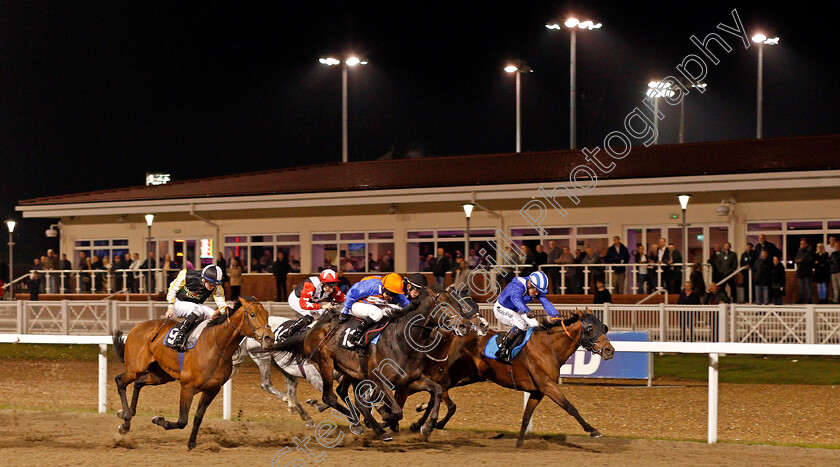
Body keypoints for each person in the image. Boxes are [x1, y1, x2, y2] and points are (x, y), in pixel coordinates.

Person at [493, 271, 558, 363]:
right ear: (530, 283)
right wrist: (527, 310)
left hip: (517, 309)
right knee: (521, 324)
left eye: (538, 291)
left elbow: (545, 302)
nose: (536, 294)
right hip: (502, 308)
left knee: (535, 325)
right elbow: (516, 299)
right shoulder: (517, 285)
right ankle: (502, 350)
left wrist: (556, 315)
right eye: (535, 290)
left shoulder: (535, 287)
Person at [338, 273, 410, 350]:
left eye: (393, 294)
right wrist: (345, 312)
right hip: (356, 305)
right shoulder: (371, 286)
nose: (390, 296)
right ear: (384, 287)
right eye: (389, 293)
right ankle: (358, 333)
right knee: (377, 313)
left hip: (373, 306)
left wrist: (411, 307)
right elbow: (351, 295)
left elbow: (405, 303)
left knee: (398, 310)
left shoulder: (392, 288)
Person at [164, 265, 227, 351]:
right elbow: (172, 289)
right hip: (178, 304)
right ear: (203, 279)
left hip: (195, 307)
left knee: (215, 315)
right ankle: (179, 336)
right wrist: (170, 306)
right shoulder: (186, 275)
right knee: (198, 309)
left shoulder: (216, 286)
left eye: (215, 285)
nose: (212, 287)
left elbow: (220, 301)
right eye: (211, 284)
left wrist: (226, 311)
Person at [277, 269, 346, 341]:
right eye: (328, 286)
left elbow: (344, 298)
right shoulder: (310, 286)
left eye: (333, 286)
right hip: (297, 300)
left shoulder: (333, 289)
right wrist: (322, 306)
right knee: (310, 317)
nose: (331, 289)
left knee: (329, 313)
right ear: (321, 283)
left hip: (311, 301)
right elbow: (303, 304)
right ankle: (285, 334)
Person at [794, 238, 814, 304]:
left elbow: (810, 261)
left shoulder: (809, 252)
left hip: (807, 272)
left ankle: (809, 300)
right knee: (801, 287)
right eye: (801, 244)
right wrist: (798, 261)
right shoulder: (799, 251)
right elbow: (796, 259)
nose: (801, 245)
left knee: (808, 287)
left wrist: (802, 260)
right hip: (800, 272)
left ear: (806, 244)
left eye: (803, 244)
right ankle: (802, 299)